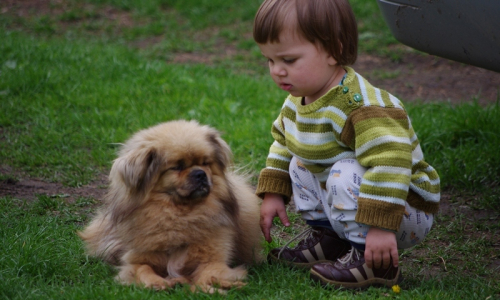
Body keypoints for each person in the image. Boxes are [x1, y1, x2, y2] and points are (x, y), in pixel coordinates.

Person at [253, 0, 440, 289]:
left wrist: (380, 226)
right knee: (298, 162)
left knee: (343, 170)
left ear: (334, 51)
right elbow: (284, 141)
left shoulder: (360, 106)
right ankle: (332, 241)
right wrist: (274, 193)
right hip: (359, 200)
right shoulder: (299, 99)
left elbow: (390, 161)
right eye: (270, 60)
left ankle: (376, 262)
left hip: (402, 208)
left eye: (288, 60)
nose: (277, 70)